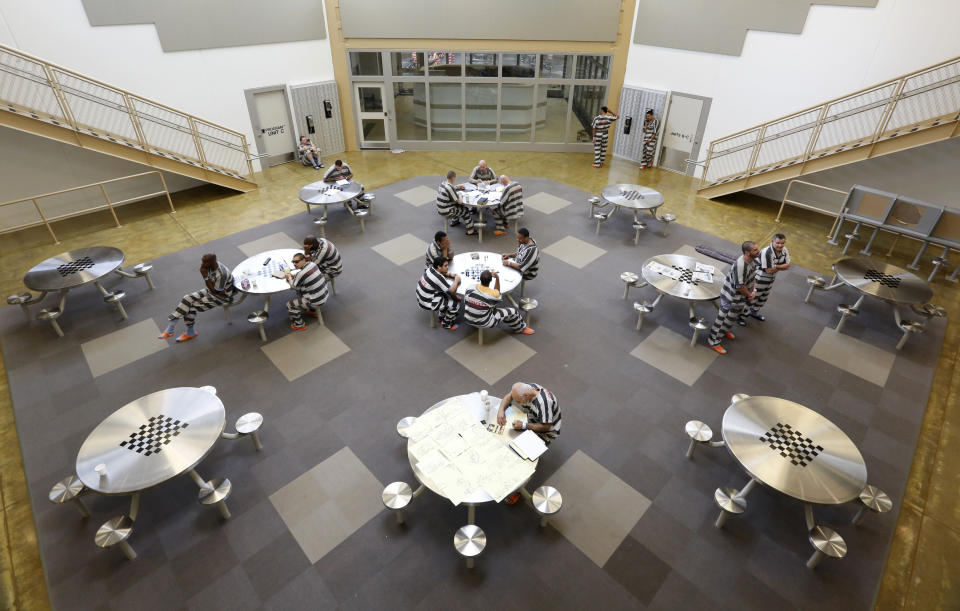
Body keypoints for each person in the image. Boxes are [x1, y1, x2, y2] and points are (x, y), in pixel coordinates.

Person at [159, 254, 235, 343]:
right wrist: (208, 279)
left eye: (205, 262)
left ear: (212, 262)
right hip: (213, 290)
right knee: (187, 298)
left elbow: (215, 291)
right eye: (202, 261)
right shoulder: (209, 265)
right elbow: (212, 288)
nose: (202, 264)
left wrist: (205, 277)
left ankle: (190, 332)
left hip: (223, 297)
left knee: (191, 308)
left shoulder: (222, 274)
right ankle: (170, 328)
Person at [707, 241, 760, 354]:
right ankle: (713, 341)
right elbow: (739, 286)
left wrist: (754, 290)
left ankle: (724, 331)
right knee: (722, 319)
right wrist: (749, 294)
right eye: (755, 250)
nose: (758, 251)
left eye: (757, 249)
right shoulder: (740, 266)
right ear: (747, 252)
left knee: (732, 317)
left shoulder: (753, 260)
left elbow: (753, 276)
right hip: (731, 297)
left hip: (741, 298)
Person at [739, 233, 790, 325]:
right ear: (772, 241)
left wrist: (776, 266)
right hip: (760, 277)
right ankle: (741, 316)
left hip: (771, 279)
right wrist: (781, 266)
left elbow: (788, 266)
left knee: (763, 298)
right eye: (778, 243)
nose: (780, 245)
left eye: (782, 243)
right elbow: (769, 270)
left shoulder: (784, 250)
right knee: (753, 297)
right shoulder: (767, 252)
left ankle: (753, 312)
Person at [464, 270, 535, 335]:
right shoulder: (492, 294)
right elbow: (497, 292)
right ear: (491, 280)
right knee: (513, 312)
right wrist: (497, 278)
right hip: (484, 322)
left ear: (480, 279)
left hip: (468, 319)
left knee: (485, 306)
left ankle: (477, 316)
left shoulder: (470, 288)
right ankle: (521, 328)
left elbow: (466, 301)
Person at [285, 252, 329, 331]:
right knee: (302, 290)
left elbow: (293, 287)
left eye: (297, 262)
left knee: (289, 305)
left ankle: (299, 325)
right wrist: (295, 276)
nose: (294, 264)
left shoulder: (300, 273)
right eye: (293, 262)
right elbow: (307, 275)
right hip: (325, 294)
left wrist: (289, 278)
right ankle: (313, 311)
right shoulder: (312, 264)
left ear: (303, 260)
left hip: (316, 301)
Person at [416, 256, 462, 330]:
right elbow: (452, 290)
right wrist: (457, 280)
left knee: (446, 295)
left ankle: (441, 317)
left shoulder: (430, 269)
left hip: (421, 296)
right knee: (456, 305)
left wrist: (449, 274)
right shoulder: (438, 278)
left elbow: (443, 274)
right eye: (445, 266)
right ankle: (446, 324)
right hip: (427, 301)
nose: (447, 267)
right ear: (439, 267)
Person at [437, 170, 476, 236]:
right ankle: (470, 230)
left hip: (440, 208)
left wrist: (457, 187)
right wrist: (460, 194)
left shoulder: (443, 184)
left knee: (456, 206)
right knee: (465, 210)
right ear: (453, 178)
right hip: (446, 211)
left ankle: (455, 221)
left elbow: (450, 189)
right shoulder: (450, 188)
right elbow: (459, 202)